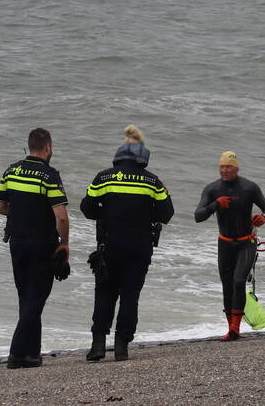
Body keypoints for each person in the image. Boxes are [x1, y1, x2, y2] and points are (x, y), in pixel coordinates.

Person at [80, 125, 174, 361]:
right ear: (143, 158)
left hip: (109, 245)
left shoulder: (103, 177)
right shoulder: (153, 181)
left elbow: (87, 208)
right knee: (130, 296)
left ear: (118, 156)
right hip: (139, 247)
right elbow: (167, 213)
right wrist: (146, 213)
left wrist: (106, 211)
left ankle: (98, 345)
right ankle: (122, 347)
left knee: (104, 294)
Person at [0, 128, 69, 368]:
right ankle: (16, 354)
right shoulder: (49, 175)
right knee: (36, 298)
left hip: (16, 242)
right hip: (41, 243)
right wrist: (64, 243)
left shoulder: (11, 170)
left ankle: (31, 354)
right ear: (47, 147)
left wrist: (22, 215)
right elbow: (62, 218)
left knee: (26, 296)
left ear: (29, 146)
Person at [195, 151, 265, 341]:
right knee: (227, 285)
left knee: (239, 281)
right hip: (225, 243)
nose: (224, 170)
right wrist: (216, 205)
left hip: (247, 242)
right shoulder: (212, 190)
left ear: (236, 168)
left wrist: (263, 217)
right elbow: (198, 216)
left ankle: (235, 328)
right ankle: (231, 327)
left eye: (228, 167)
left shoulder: (249, 188)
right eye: (221, 166)